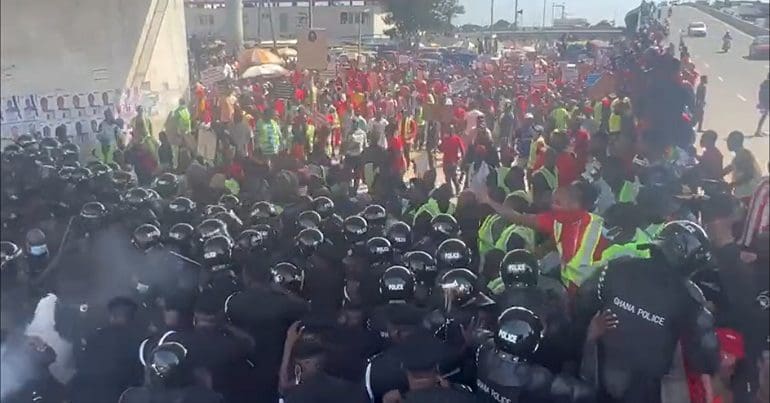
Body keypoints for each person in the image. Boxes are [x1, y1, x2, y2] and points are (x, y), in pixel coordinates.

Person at [578, 221, 720, 403]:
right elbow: (706, 357)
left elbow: (580, 304)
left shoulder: (616, 267)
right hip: (649, 391)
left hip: (596, 380)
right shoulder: (690, 297)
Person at [476, 181, 606, 293]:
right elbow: (551, 245)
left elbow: (519, 218)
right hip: (596, 283)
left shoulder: (562, 219)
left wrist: (488, 201)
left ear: (573, 202)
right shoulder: (596, 221)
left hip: (577, 286)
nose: (552, 205)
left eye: (557, 201)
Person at [72, 297, 145, 403]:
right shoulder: (138, 341)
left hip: (90, 396)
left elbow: (81, 366)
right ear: (132, 317)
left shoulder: (95, 337)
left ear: (111, 316)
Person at [723, 131, 761, 202]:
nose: (727, 143)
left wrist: (733, 184)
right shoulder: (740, 155)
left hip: (747, 192)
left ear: (735, 142)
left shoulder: (743, 155)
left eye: (729, 141)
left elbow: (748, 175)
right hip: (745, 191)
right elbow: (730, 168)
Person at [439, 126, 465, 195]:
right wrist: (463, 157)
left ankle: (450, 192)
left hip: (446, 161)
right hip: (454, 161)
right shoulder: (457, 139)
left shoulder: (445, 139)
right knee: (454, 177)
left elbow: (441, 149)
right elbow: (462, 149)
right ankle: (458, 188)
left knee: (448, 178)